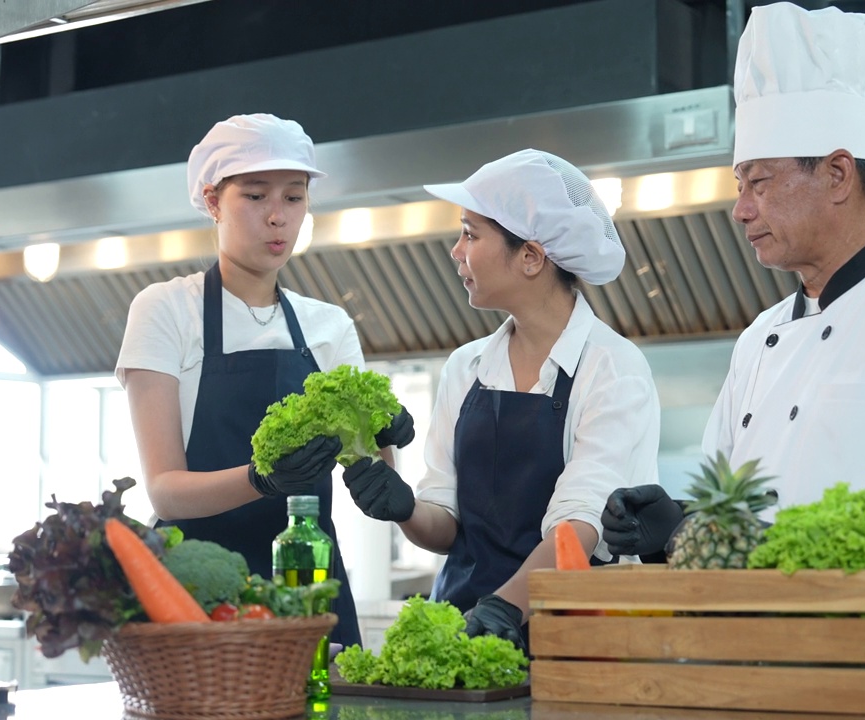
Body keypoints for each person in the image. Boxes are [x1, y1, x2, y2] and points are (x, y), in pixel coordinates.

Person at [599, 4, 865, 718]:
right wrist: (674, 528)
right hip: (777, 688)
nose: (739, 209)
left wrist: (739, 541)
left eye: (757, 182)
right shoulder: (760, 338)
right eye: (740, 185)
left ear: (835, 174)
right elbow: (726, 512)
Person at [338, 148, 661, 651]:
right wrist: (402, 505)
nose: (455, 251)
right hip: (466, 631)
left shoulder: (612, 369)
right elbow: (445, 527)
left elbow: (579, 525)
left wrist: (505, 606)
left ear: (530, 257)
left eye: (470, 233)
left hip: (570, 641)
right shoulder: (466, 367)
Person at [115, 113, 414, 648]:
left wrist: (386, 442)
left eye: (294, 198)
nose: (278, 218)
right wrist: (261, 480)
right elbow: (165, 490)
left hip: (308, 586)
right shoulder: (165, 309)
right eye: (255, 197)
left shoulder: (329, 327)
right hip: (195, 591)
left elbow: (369, 470)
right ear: (213, 202)